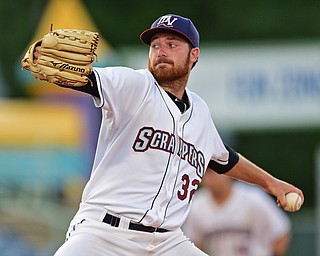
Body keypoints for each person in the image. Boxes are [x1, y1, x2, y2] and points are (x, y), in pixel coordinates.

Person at [27, 14, 303, 256]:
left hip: (167, 241)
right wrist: (47, 58)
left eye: (172, 45)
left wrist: (272, 184)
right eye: (155, 45)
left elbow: (224, 160)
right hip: (105, 233)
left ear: (193, 54)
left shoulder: (200, 112)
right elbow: (90, 80)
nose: (161, 51)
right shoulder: (136, 85)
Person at [183, 170, 292, 256]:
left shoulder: (253, 198)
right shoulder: (196, 205)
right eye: (206, 173)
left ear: (228, 173)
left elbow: (281, 233)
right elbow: (194, 245)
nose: (210, 179)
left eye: (214, 172)